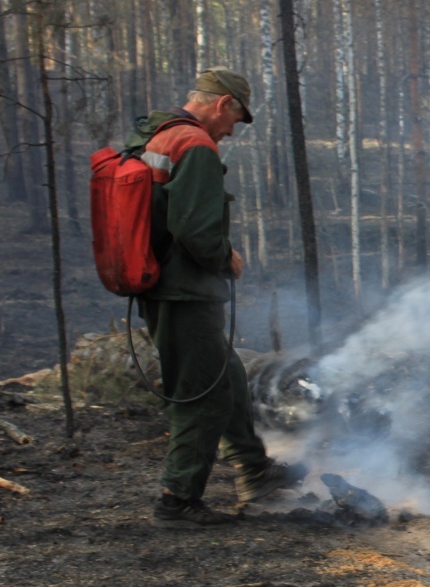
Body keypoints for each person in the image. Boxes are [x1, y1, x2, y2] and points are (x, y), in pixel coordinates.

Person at [126, 67, 306, 529]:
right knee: (201, 394)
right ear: (224, 104)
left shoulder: (159, 136)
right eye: (235, 120)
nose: (231, 131)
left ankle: (255, 470)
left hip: (164, 287)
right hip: (184, 292)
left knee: (227, 376)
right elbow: (194, 229)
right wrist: (226, 257)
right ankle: (177, 501)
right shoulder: (195, 145)